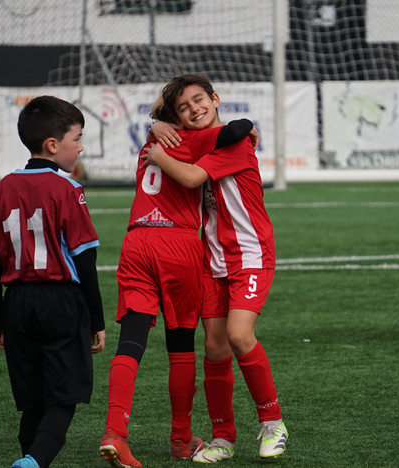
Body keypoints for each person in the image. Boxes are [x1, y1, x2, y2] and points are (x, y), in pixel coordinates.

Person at [98, 95, 257, 468]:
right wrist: (249, 127)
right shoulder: (195, 139)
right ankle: (181, 440)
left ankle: (114, 433)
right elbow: (234, 129)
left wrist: (154, 126)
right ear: (179, 122)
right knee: (181, 346)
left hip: (136, 242)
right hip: (178, 245)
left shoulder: (149, 144)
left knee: (131, 342)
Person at [142, 74, 288, 463]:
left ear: (216, 99)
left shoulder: (234, 140)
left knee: (240, 336)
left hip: (250, 253)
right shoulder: (191, 141)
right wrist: (154, 125)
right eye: (184, 108)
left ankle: (272, 422)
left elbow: (190, 176)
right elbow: (169, 136)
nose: (194, 109)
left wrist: (158, 154)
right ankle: (223, 437)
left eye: (199, 100)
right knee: (214, 346)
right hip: (212, 260)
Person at [0, 95, 106, 468]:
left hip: (17, 303)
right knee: (62, 398)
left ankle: (30, 458)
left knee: (33, 399)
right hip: (60, 303)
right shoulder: (69, 190)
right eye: (77, 137)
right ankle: (33, 462)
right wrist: (96, 321)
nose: (81, 146)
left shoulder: (3, 188)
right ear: (53, 145)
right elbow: (86, 262)